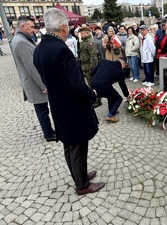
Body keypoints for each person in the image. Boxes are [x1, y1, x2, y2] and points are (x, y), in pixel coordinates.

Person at [33, 8, 105, 195]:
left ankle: (79, 174)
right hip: (72, 108)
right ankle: (82, 185)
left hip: (59, 105)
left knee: (70, 145)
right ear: (64, 27)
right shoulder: (60, 50)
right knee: (78, 146)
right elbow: (77, 86)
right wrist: (93, 93)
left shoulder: (40, 48)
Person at [12, 15, 56, 142]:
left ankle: (49, 131)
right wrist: (43, 85)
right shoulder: (21, 42)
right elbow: (32, 67)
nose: (33, 29)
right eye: (31, 27)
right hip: (34, 83)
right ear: (22, 26)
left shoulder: (21, 38)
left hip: (33, 82)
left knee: (42, 108)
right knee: (42, 109)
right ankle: (48, 134)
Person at [90, 58, 129, 123]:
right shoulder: (120, 72)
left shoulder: (104, 61)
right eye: (124, 65)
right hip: (104, 86)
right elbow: (123, 86)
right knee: (118, 98)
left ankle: (112, 110)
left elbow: (92, 73)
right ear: (122, 63)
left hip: (93, 84)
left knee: (110, 95)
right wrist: (127, 95)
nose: (124, 68)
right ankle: (110, 115)